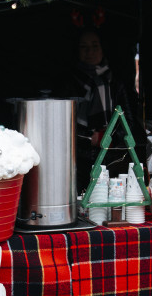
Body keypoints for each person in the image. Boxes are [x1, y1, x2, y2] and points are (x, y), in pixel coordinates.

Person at [58, 31, 142, 191]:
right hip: (76, 160)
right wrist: (89, 138)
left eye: (95, 46)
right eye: (84, 47)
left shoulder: (115, 83)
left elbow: (128, 123)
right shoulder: (68, 84)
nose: (89, 52)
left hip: (111, 160)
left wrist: (106, 137)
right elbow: (61, 124)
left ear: (103, 49)